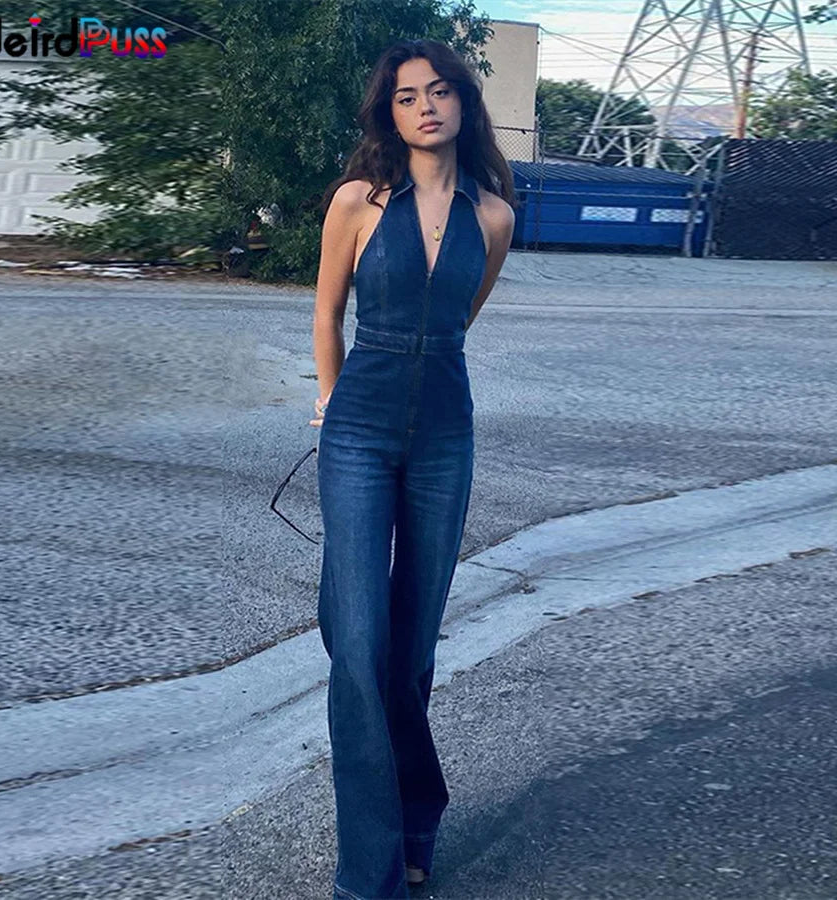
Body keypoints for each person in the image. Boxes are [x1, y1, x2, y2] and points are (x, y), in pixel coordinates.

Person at [310, 37, 516, 900]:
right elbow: (328, 313)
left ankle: (417, 815)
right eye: (406, 96)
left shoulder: (494, 216)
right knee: (358, 643)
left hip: (444, 438)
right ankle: (372, 875)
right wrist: (330, 403)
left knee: (412, 646)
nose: (424, 106)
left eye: (438, 91)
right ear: (388, 114)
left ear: (463, 101)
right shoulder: (358, 201)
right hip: (358, 432)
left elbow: (461, 317)